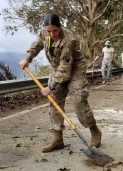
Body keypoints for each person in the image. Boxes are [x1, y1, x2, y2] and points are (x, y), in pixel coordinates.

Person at [18, 13, 102, 153]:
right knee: (54, 101)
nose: (52, 34)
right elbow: (37, 45)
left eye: (55, 30)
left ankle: (94, 131)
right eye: (48, 31)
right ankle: (57, 139)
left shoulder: (69, 40)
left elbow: (65, 69)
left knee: (78, 100)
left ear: (60, 28)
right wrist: (28, 58)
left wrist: (50, 87)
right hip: (56, 68)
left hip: (75, 69)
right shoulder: (44, 33)